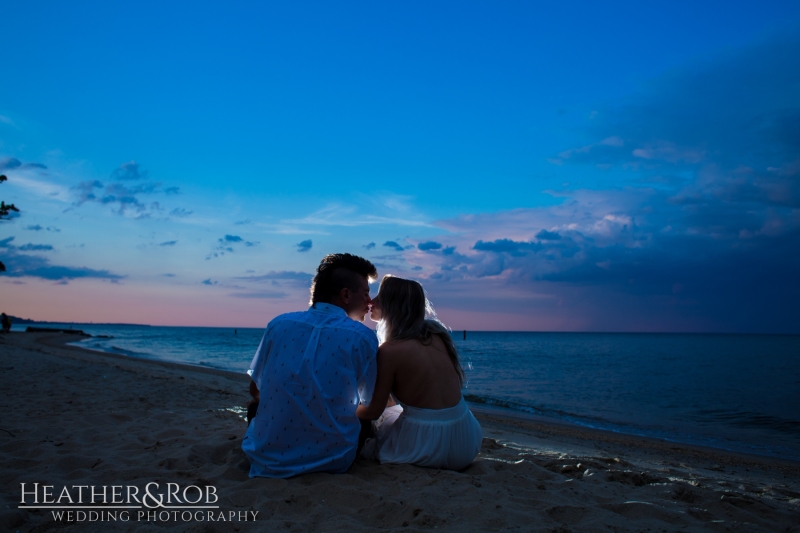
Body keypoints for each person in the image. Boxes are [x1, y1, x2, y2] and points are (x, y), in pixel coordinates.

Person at [242, 253, 379, 478]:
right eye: (366, 293)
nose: (370, 302)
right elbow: (370, 406)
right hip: (333, 460)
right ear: (346, 295)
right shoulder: (362, 337)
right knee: (362, 420)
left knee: (254, 407)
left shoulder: (279, 324)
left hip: (266, 458)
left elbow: (256, 391)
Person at [356, 275, 482, 471]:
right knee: (393, 407)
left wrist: (344, 410)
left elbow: (373, 412)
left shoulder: (389, 351)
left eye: (380, 297)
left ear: (392, 305)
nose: (372, 301)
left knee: (384, 415)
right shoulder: (436, 335)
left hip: (427, 446)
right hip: (465, 440)